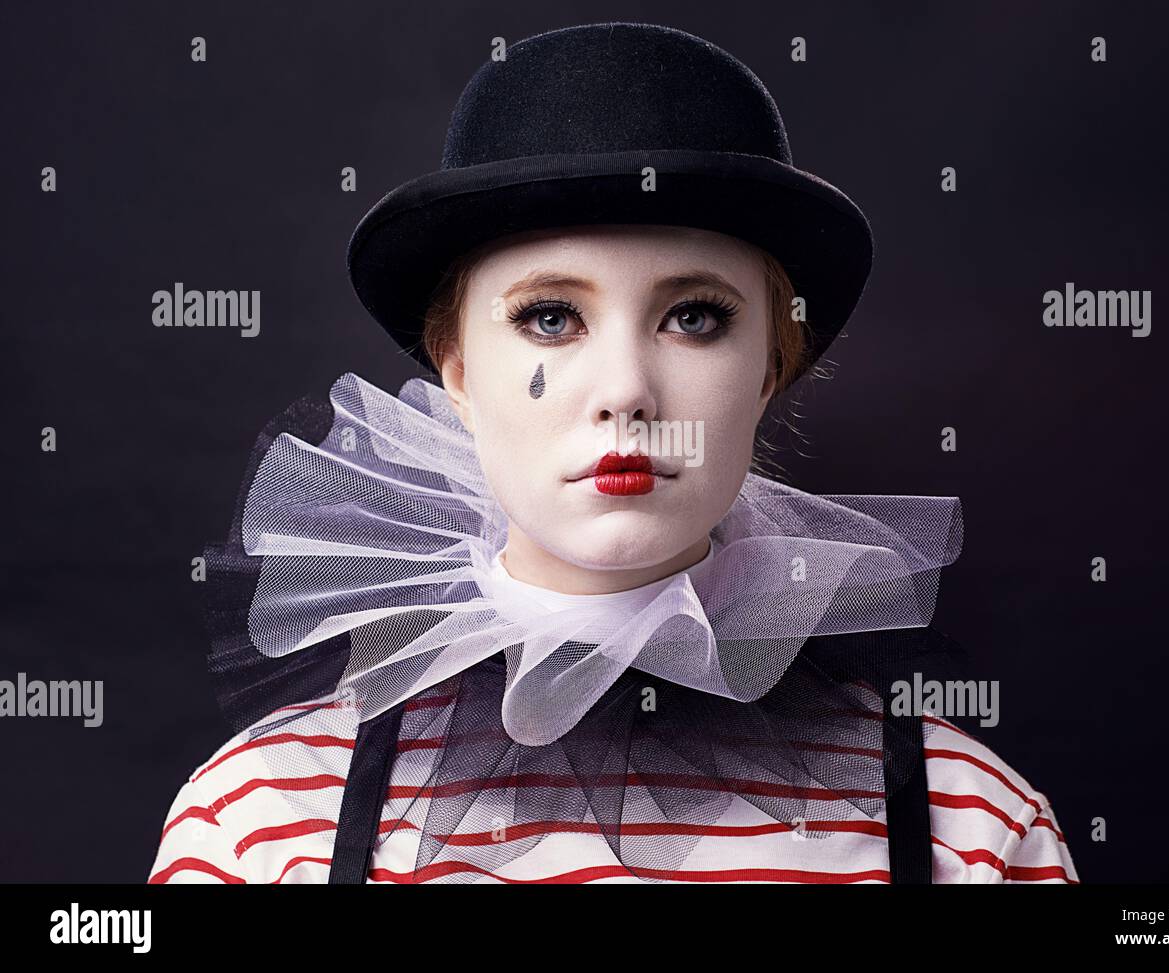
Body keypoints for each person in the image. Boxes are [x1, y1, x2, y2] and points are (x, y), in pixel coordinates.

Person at [149, 22, 1078, 885]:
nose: (625, 389)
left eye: (694, 316)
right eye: (551, 317)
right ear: (460, 372)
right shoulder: (261, 816)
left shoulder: (968, 824)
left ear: (769, 368)